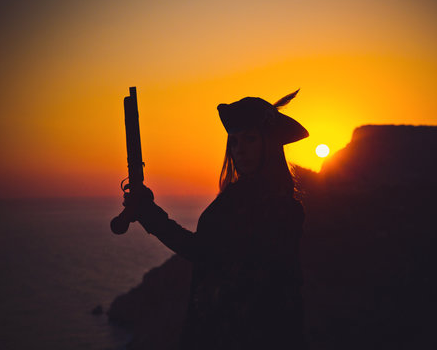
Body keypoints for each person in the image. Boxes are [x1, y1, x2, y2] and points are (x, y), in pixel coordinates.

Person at [124, 89, 309, 350]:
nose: (240, 150)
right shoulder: (234, 199)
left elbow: (206, 252)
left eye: (250, 139)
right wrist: (148, 212)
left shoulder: (283, 209)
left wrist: (150, 215)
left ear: (269, 143)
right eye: (234, 142)